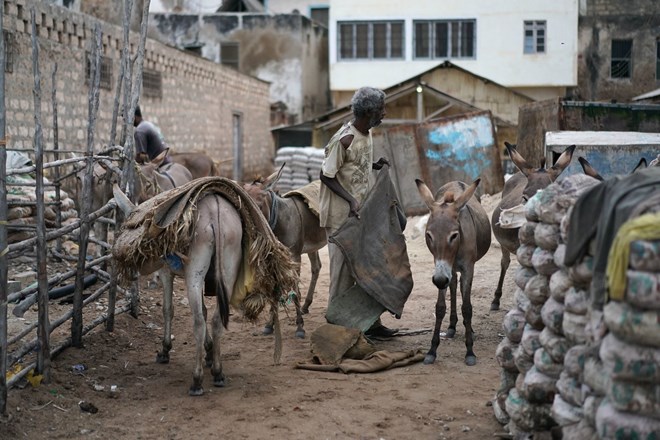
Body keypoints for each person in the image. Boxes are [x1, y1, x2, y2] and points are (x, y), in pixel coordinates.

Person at [319, 86, 397, 338]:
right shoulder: (345, 138)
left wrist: (375, 166)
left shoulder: (366, 133)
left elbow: (355, 165)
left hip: (359, 215)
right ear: (369, 112)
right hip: (341, 217)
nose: (384, 114)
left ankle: (368, 323)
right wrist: (351, 199)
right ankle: (337, 329)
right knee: (341, 274)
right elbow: (326, 175)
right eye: (381, 110)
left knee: (364, 270)